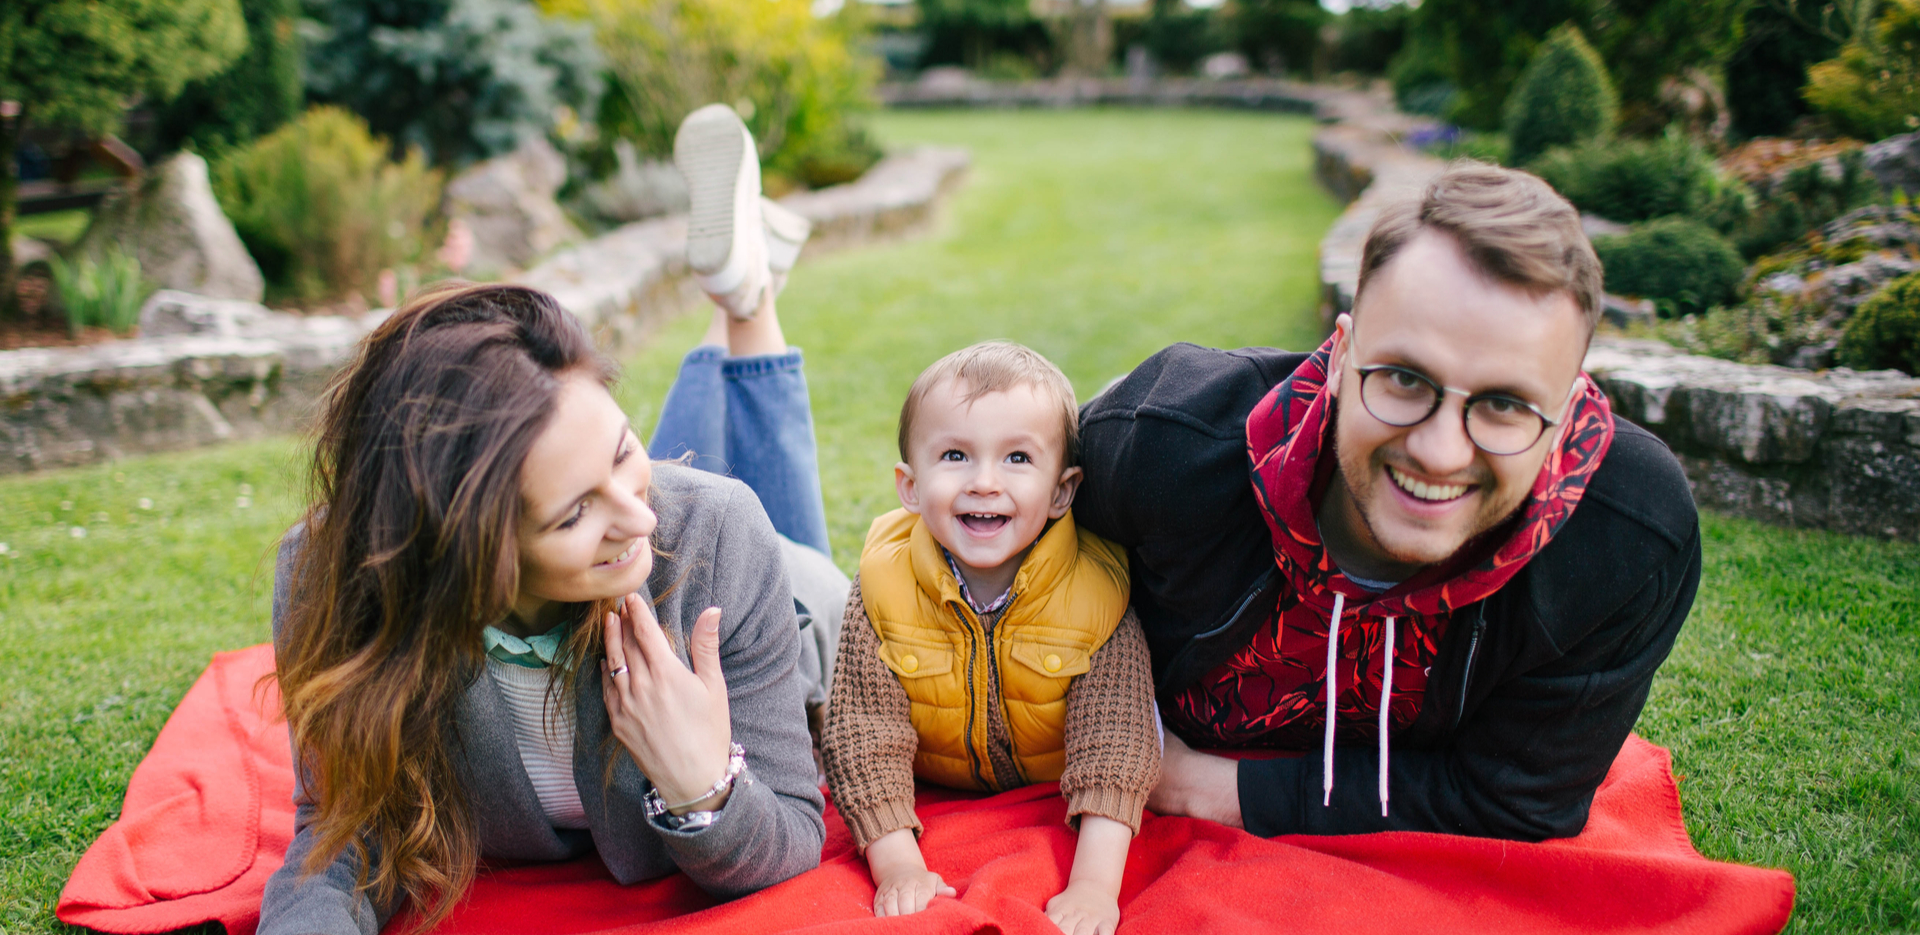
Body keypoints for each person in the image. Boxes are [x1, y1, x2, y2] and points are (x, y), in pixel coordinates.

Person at [260, 104, 844, 935]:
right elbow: (342, 837)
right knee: (684, 494)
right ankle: (743, 291)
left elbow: (789, 835)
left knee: (739, 512)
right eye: (573, 513)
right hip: (698, 535)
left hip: (795, 606)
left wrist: (702, 784)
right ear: (459, 554)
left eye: (622, 443)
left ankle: (745, 302)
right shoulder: (330, 575)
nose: (634, 512)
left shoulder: (708, 530)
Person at [1073, 162, 1701, 840]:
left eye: (1505, 405)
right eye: (1404, 377)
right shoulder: (1164, 439)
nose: (1439, 451)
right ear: (1339, 355)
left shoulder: (1626, 534)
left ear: (1568, 410)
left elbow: (1517, 799)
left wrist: (1203, 788)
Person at [821, 342, 1161, 935]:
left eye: (1017, 459)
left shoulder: (1096, 593)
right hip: (930, 789)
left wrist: (1093, 887)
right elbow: (862, 738)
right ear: (909, 484)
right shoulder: (883, 588)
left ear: (1062, 491)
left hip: (1057, 791)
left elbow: (1116, 747)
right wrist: (899, 866)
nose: (983, 482)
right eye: (955, 455)